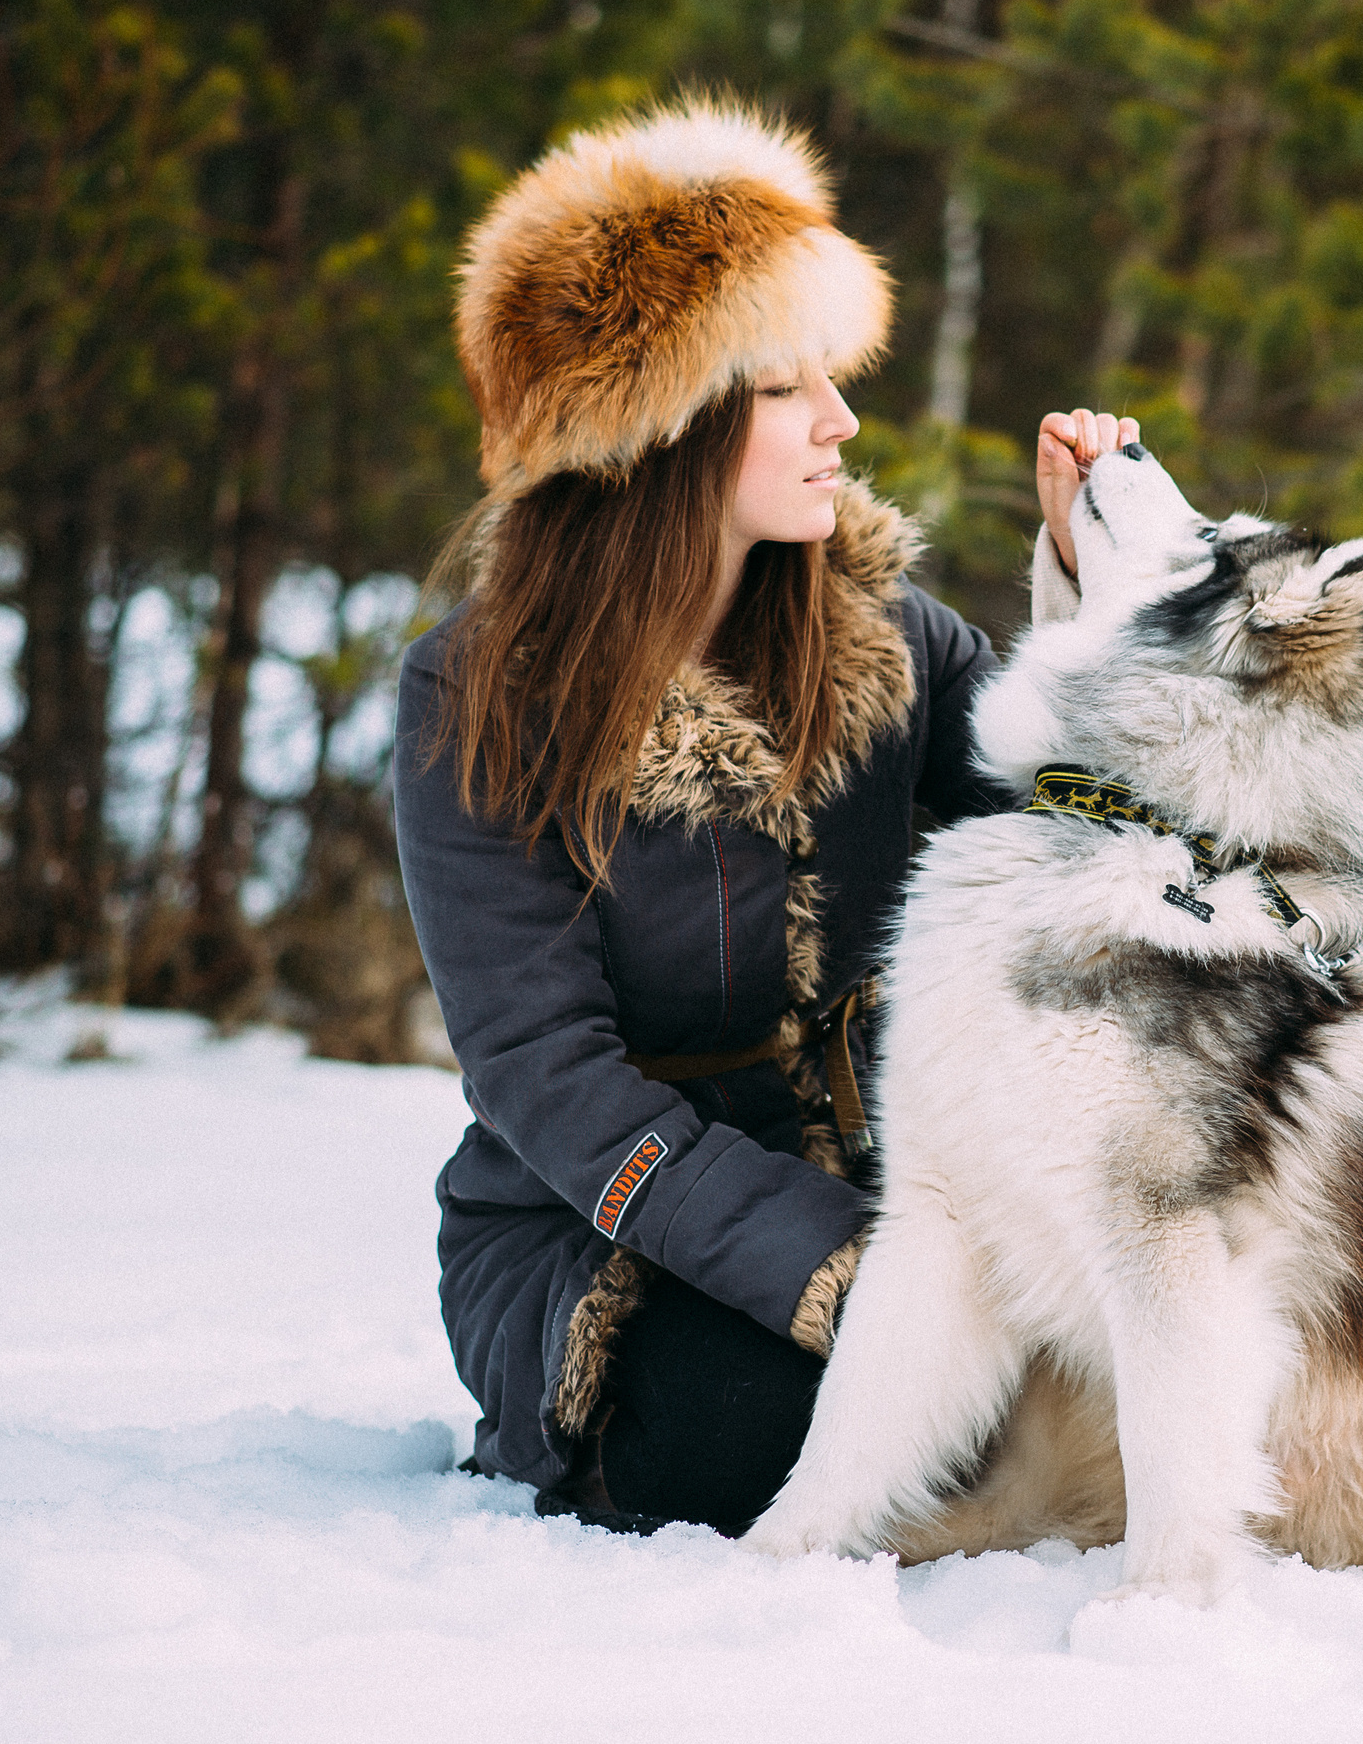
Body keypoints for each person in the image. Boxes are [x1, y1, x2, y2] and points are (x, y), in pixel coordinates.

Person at [394, 99, 1134, 1533]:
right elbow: (548, 1075)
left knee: (1064, 1378)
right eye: (790, 389)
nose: (842, 423)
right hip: (595, 1239)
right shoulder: (477, 693)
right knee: (754, 1429)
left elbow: (1072, 843)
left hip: (905, 1194)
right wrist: (853, 1271)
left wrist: (1087, 582)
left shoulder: (887, 638)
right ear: (663, 426)